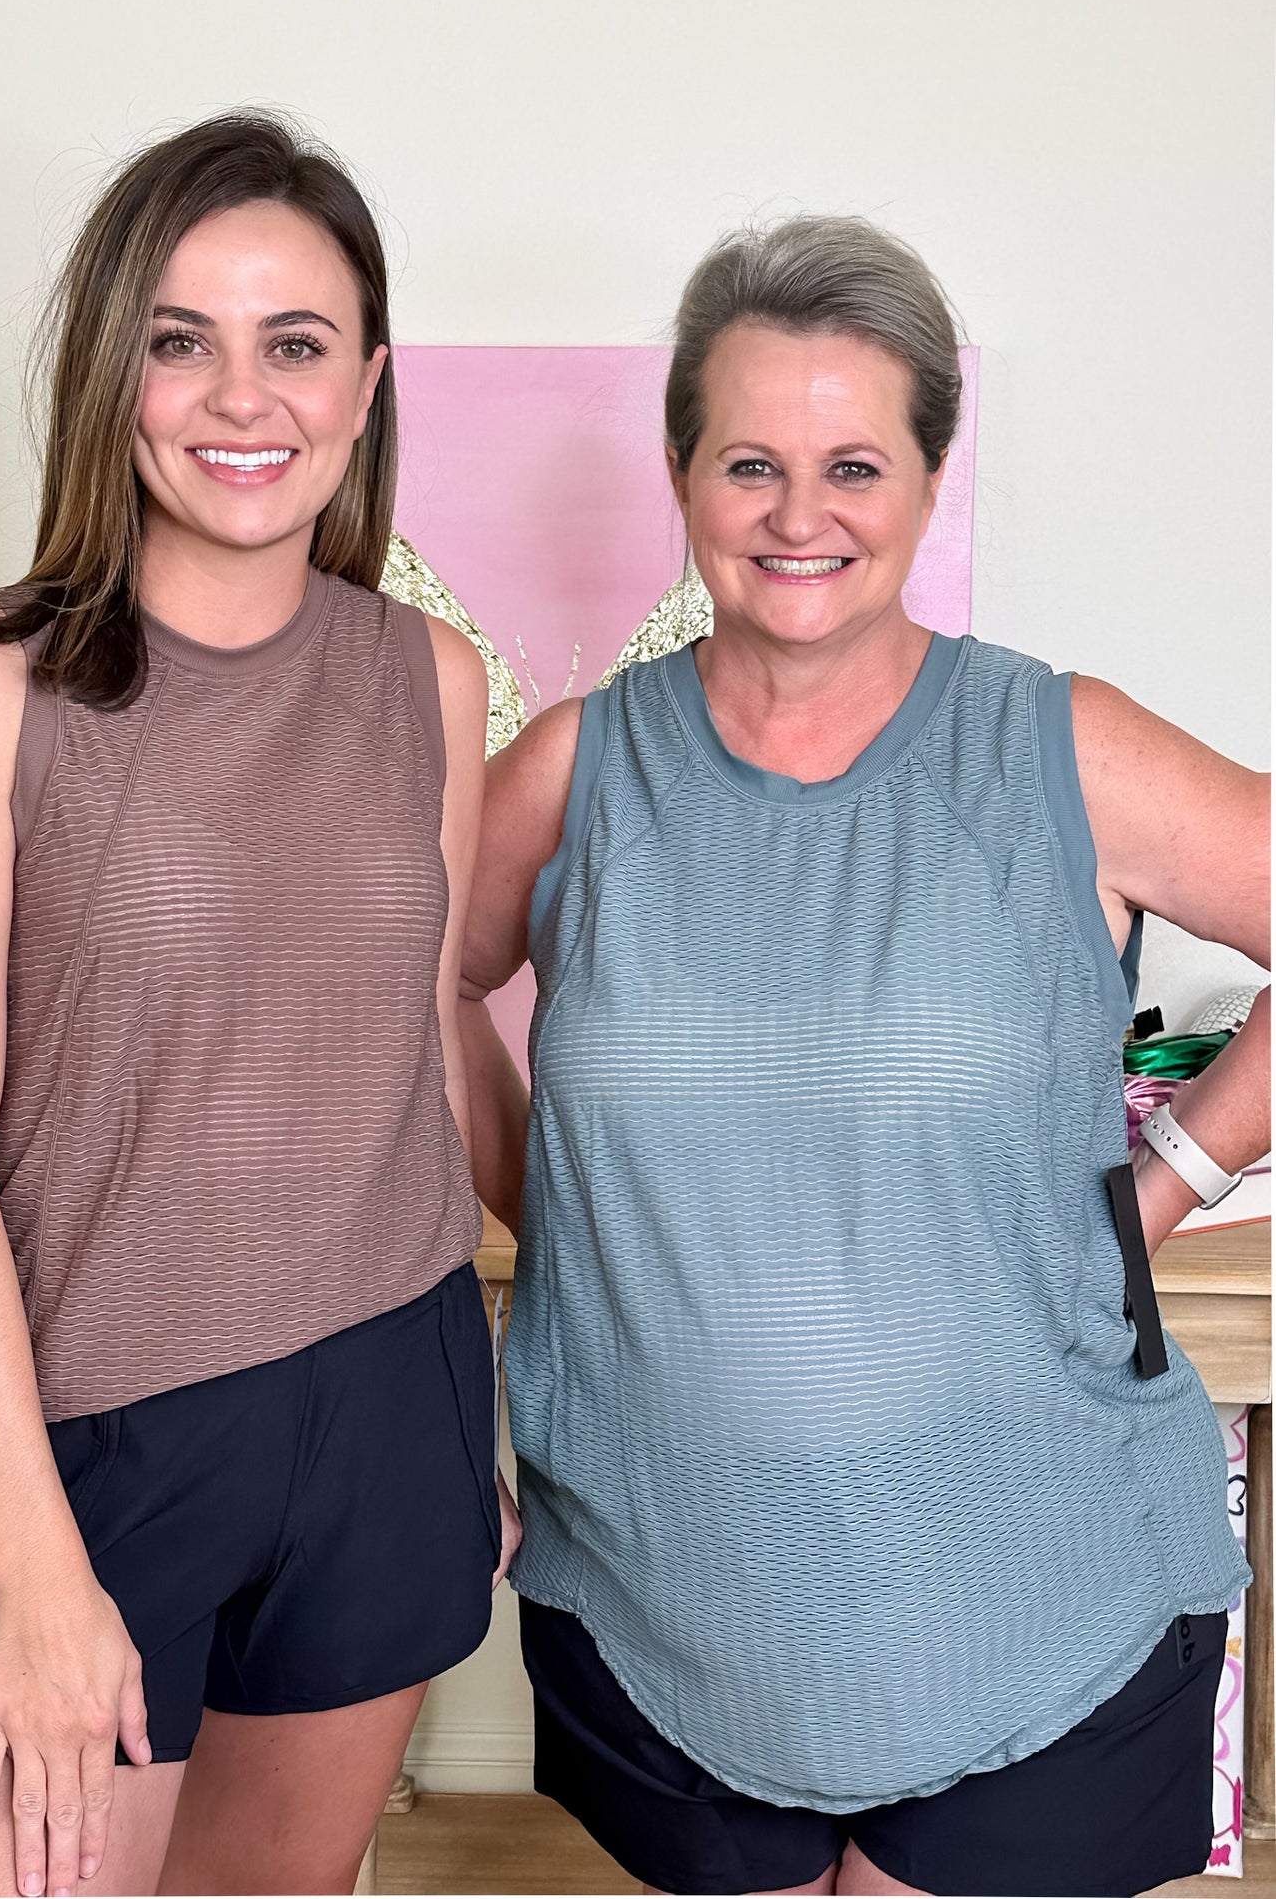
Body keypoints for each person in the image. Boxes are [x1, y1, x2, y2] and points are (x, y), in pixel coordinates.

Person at [459, 214, 1268, 1898]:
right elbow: (397, 1006)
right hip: (658, 1582)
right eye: (749, 461)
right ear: (680, 473)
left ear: (925, 479)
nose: (799, 514)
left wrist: (1176, 1172)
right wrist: (567, 1234)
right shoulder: (571, 774)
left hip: (1038, 1589)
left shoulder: (1062, 745)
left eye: (853, 463)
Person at [0, 110, 518, 1899]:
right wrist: (43, 1577)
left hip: (391, 1398)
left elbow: (416, 1065)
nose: (244, 397)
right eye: (181, 341)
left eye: (295, 345)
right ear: (111, 374)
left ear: (363, 385)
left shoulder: (425, 680)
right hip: (101, 1443)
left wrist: (479, 1430)